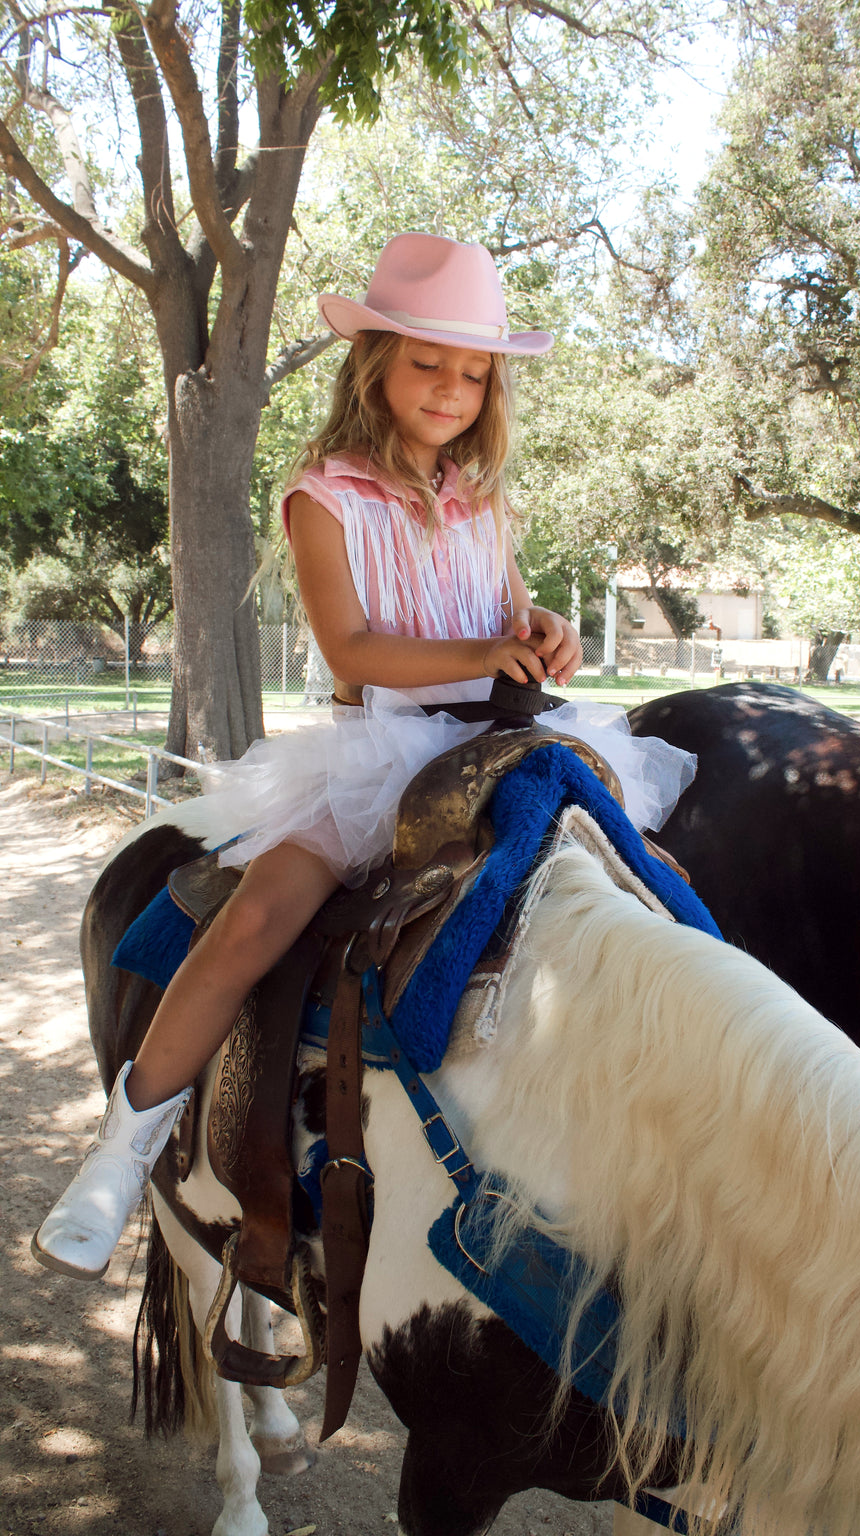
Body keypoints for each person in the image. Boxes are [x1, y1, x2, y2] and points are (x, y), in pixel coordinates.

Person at [33, 232, 696, 1281]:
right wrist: (480, 653)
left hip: (494, 741)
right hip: (378, 752)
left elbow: (504, 616)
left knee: (644, 873)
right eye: (428, 362)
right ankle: (123, 1148)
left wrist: (543, 631)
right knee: (261, 914)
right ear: (375, 361)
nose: (451, 389)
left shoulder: (483, 499)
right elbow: (350, 649)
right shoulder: (324, 496)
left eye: (473, 373)